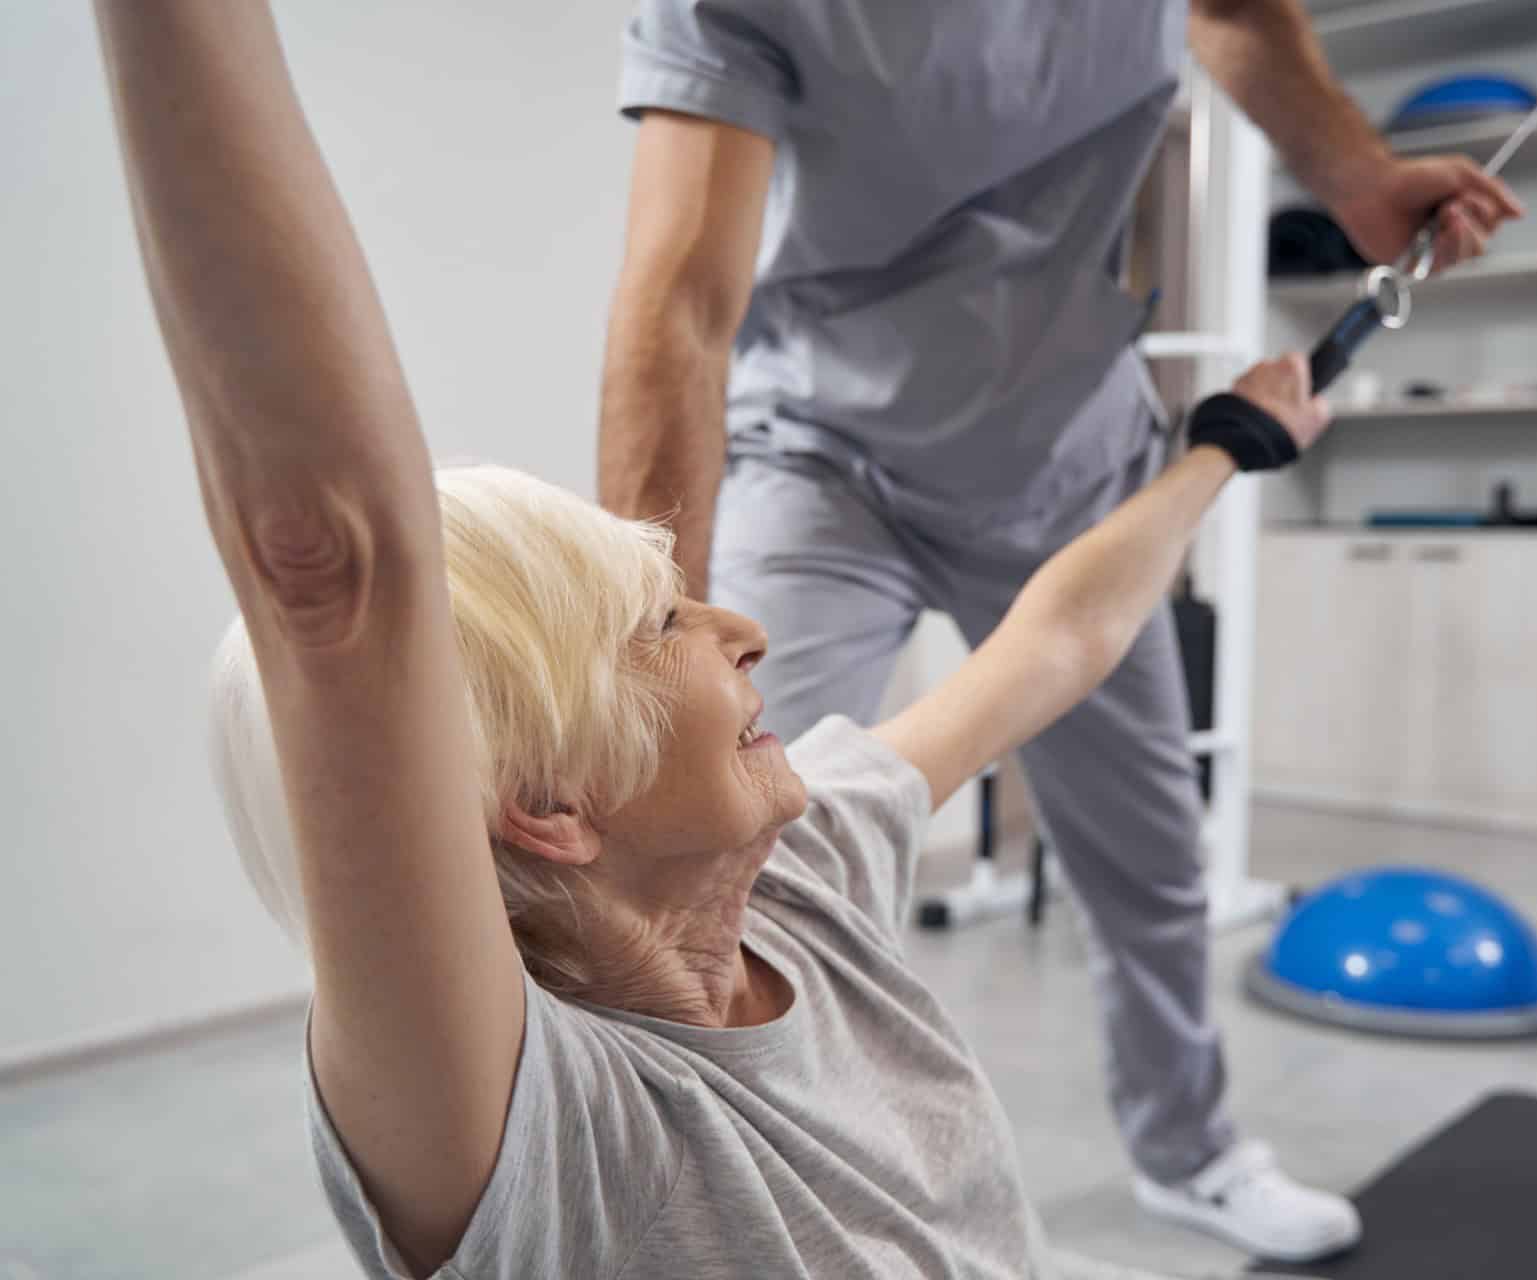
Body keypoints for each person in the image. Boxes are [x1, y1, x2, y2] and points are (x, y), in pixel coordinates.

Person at [94, 3, 1337, 1276]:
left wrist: (1222, 446)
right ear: (551, 804)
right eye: (660, 623)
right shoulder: (524, 1115)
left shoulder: (812, 863)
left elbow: (1060, 636)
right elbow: (328, 569)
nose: (741, 624)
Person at [599, 0, 1523, 1260]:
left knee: (1152, 858)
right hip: (820, 447)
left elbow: (1237, 10)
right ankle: (718, 1177)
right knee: (741, 844)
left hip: (1064, 455)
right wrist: (650, 652)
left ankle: (1191, 1150)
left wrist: (1358, 177)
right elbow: (681, 306)